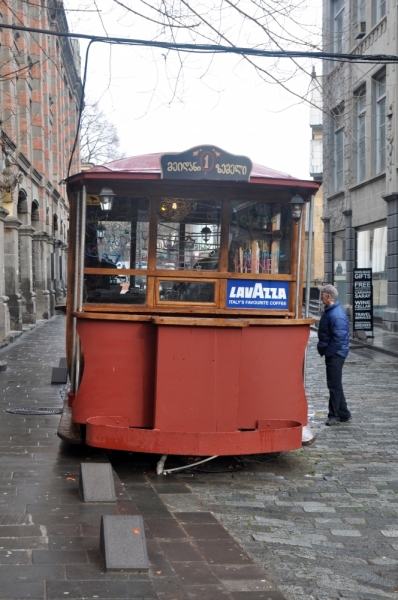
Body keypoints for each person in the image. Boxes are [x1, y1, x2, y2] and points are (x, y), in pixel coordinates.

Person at [317, 284, 351, 426]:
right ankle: (343, 412)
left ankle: (335, 415)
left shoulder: (336, 315)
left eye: (322, 293)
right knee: (335, 383)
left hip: (336, 353)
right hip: (335, 352)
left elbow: (339, 338)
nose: (320, 295)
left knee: (334, 385)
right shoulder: (332, 310)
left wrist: (329, 352)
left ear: (328, 296)